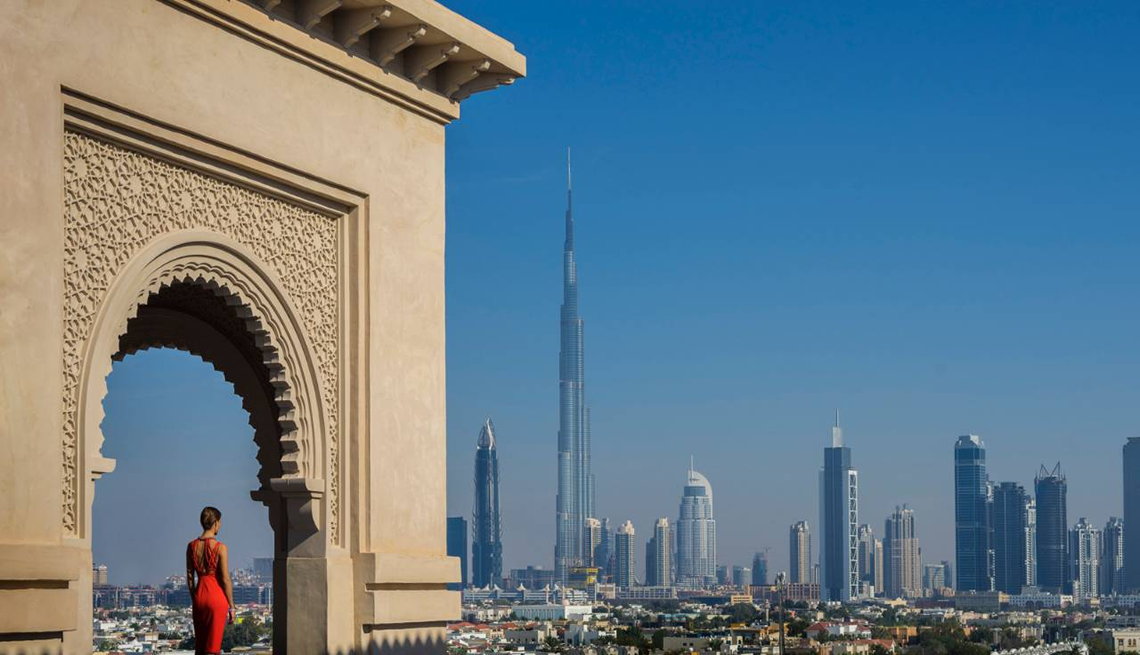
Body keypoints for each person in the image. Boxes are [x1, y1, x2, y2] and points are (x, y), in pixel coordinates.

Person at [187, 506, 235, 654]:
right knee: (213, 647)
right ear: (215, 523)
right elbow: (226, 579)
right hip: (216, 598)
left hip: (199, 597)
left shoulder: (191, 546)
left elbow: (190, 577)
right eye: (219, 523)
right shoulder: (221, 547)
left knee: (200, 646)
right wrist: (232, 606)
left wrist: (195, 597)